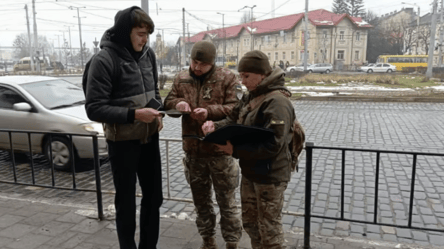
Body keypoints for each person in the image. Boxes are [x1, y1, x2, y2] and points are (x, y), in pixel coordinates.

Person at [85, 6, 163, 249]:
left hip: (150, 140)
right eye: (140, 33)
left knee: (154, 198)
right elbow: (94, 108)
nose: (145, 39)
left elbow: (156, 91)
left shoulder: (149, 55)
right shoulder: (104, 60)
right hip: (122, 143)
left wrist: (158, 111)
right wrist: (135, 114)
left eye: (147, 34)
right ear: (124, 32)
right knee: (126, 203)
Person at [202, 50, 296, 249]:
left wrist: (235, 150)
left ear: (261, 74)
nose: (242, 81)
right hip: (251, 171)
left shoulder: (277, 101)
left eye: (246, 76)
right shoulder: (251, 96)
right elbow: (233, 119)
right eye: (241, 75)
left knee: (269, 231)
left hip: (271, 176)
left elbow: (274, 144)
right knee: (252, 224)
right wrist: (214, 126)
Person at [163, 40, 243, 249]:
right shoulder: (181, 78)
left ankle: (232, 243)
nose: (197, 67)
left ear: (212, 63)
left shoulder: (227, 78)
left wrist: (210, 112)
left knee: (227, 203)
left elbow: (236, 108)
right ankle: (208, 241)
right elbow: (168, 103)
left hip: (220, 153)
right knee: (201, 203)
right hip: (194, 152)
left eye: (202, 64)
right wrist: (176, 105)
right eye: (194, 62)